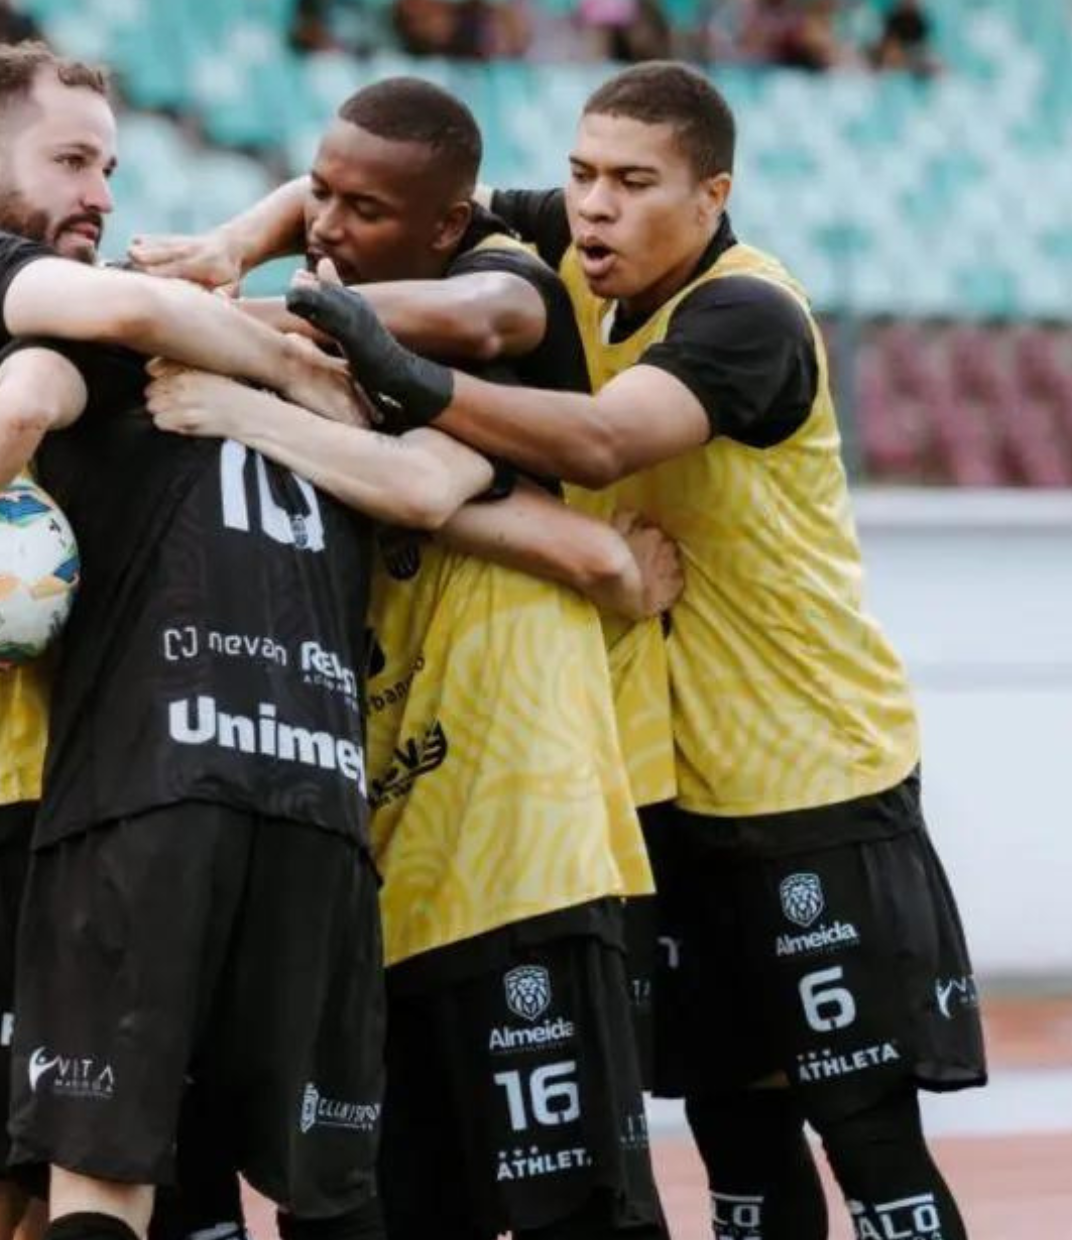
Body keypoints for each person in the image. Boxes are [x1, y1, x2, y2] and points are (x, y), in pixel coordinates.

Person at [234, 61, 989, 1240]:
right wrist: (219, 253)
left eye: (632, 182)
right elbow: (348, 184)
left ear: (709, 196)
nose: (592, 205)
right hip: (654, 782)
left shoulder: (747, 315)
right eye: (581, 174)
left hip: (809, 776)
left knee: (866, 1133)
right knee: (734, 1132)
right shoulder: (581, 251)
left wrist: (400, 373)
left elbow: (596, 442)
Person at [0, 42, 369, 1240]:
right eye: (70, 159)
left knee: (9, 1201)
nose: (103, 195)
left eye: (110, 165)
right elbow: (113, 319)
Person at [138, 76, 672, 1240]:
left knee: (568, 1211)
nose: (326, 226)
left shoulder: (505, 293)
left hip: (518, 835)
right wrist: (239, 243)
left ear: (445, 222)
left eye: (362, 212)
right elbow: (336, 196)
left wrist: (255, 352)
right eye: (318, 196)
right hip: (381, 841)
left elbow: (458, 404)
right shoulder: (364, 259)